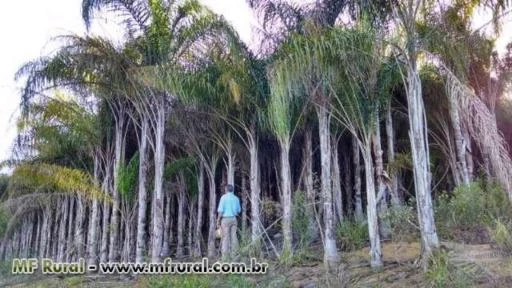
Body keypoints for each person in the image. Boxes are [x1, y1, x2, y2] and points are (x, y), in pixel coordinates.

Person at [216, 184, 241, 260]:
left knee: (225, 238)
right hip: (233, 219)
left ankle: (225, 257)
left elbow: (220, 211)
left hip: (225, 219)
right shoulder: (236, 198)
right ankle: (234, 256)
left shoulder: (223, 198)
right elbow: (239, 210)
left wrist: (218, 220)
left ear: (226, 190)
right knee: (234, 237)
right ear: (232, 190)